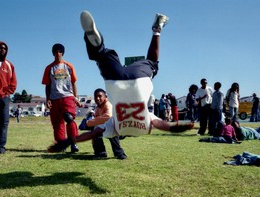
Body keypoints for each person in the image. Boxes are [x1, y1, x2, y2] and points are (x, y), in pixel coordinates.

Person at [48, 11, 194, 152]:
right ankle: (97, 45)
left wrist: (179, 127)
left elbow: (164, 125)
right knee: (100, 55)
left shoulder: (141, 125)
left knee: (152, 62)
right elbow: (92, 134)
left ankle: (157, 29)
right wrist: (68, 141)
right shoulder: (113, 127)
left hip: (139, 78)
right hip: (115, 81)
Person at [42, 43, 81, 153]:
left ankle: (73, 143)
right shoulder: (49, 68)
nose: (58, 53)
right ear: (53, 53)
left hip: (67, 96)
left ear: (62, 53)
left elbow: (73, 82)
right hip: (54, 98)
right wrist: (47, 99)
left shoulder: (69, 66)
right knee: (57, 123)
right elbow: (47, 85)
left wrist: (76, 97)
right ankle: (61, 144)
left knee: (69, 118)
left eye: (60, 51)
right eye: (56, 51)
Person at [86, 88, 127, 159]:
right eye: (95, 96)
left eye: (99, 96)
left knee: (111, 129)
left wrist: (88, 123)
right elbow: (96, 122)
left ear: (105, 97)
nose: (97, 98)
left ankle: (119, 154)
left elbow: (108, 116)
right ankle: (100, 153)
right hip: (110, 129)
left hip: (120, 130)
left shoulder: (108, 104)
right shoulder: (98, 108)